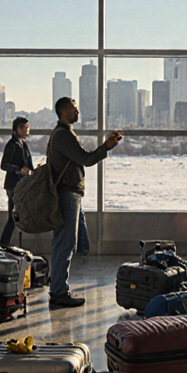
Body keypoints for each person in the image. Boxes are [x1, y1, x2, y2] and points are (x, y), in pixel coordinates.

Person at [47, 96, 121, 308]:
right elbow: (86, 159)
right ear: (63, 112)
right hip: (67, 194)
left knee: (67, 242)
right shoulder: (63, 135)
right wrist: (106, 146)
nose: (77, 111)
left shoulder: (63, 133)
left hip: (70, 193)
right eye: (74, 109)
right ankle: (59, 292)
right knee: (65, 243)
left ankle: (58, 288)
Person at [0, 116, 33, 247]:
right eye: (22, 127)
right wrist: (19, 169)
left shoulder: (24, 145)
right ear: (15, 130)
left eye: (27, 127)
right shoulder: (12, 145)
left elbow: (28, 164)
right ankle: (4, 244)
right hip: (13, 185)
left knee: (16, 216)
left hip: (22, 184)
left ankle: (6, 244)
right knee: (13, 217)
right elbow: (4, 165)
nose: (25, 130)